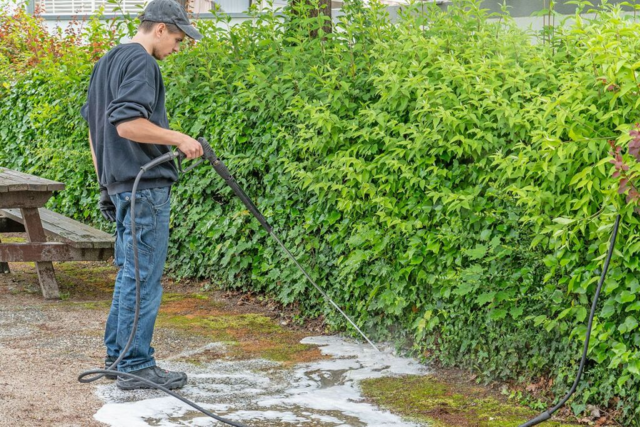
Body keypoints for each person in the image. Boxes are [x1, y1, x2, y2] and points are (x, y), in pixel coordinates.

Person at [81, 0, 204, 390]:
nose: (177, 48)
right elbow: (126, 124)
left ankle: (117, 359)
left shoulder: (106, 62)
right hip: (144, 186)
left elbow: (93, 128)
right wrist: (179, 138)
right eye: (179, 39)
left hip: (121, 185)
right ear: (161, 29)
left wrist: (105, 183)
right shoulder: (141, 62)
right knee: (144, 277)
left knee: (129, 275)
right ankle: (135, 363)